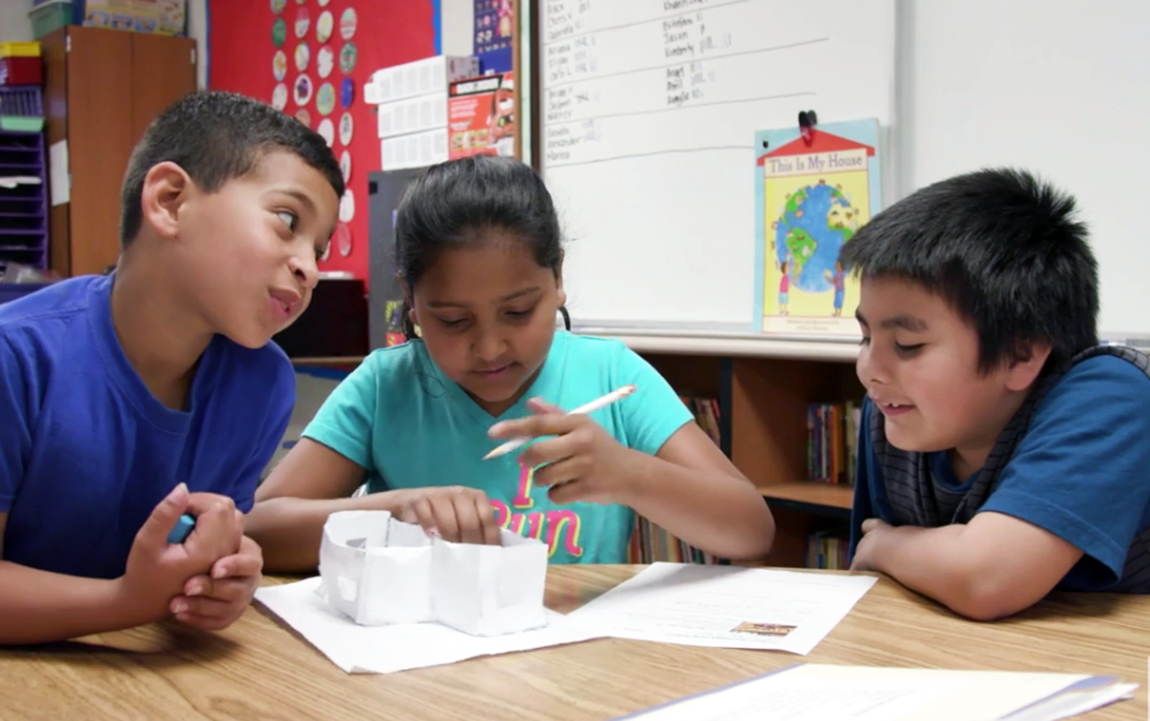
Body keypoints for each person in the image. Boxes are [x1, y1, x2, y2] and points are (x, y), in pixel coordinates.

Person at [248, 155, 775, 571]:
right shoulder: (386, 386)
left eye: (519, 312)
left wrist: (631, 475)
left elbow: (751, 530)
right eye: (454, 320)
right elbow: (256, 529)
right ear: (411, 300)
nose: (492, 347)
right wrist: (395, 510)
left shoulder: (612, 373)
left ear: (558, 278)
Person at [0, 90, 343, 644]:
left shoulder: (263, 384)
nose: (308, 267)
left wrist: (227, 571)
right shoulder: (16, 356)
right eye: (287, 220)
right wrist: (126, 601)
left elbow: (203, 540)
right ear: (169, 200)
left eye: (319, 250)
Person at [844, 167, 1150, 621]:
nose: (869, 371)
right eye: (866, 338)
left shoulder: (1112, 394)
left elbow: (986, 579)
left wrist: (888, 544)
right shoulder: (890, 412)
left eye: (907, 346)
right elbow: (873, 589)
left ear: (1019, 354)